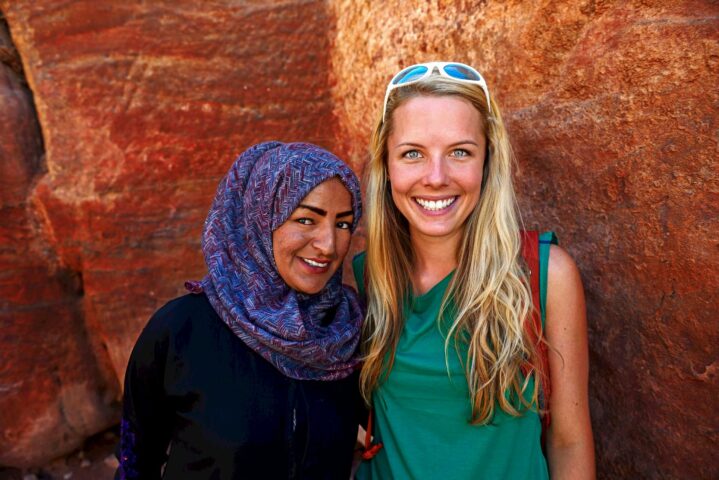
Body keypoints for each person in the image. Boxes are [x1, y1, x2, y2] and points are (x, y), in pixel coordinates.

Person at [354, 62, 595, 479]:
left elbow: (569, 443)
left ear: (487, 162)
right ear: (386, 164)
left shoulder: (543, 275)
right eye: (413, 154)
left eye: (460, 152)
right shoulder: (365, 277)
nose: (436, 177)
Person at [115, 141, 365, 479]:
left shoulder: (348, 334)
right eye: (306, 219)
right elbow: (136, 460)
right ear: (260, 217)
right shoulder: (181, 330)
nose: (328, 244)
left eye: (344, 224)